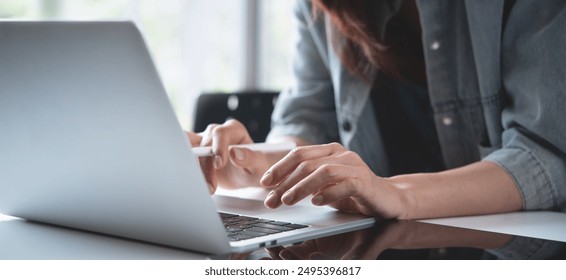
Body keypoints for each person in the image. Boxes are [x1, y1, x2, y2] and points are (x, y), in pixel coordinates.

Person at [187, 0, 566, 220]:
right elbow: (306, 121)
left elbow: (544, 152)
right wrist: (247, 161)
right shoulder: (319, 6)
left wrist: (397, 194)